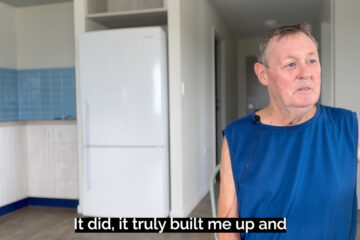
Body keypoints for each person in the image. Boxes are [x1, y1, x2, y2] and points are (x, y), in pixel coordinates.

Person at [217, 23, 360, 240]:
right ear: (263, 74)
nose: (306, 73)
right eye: (291, 64)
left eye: (312, 61)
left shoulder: (348, 125)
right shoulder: (237, 136)